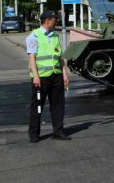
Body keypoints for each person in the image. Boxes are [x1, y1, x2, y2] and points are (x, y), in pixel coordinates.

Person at [25, 10, 70, 143]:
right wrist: (36, 76)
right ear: (47, 20)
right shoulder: (34, 36)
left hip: (56, 76)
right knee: (37, 107)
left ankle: (58, 131)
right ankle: (34, 134)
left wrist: (64, 74)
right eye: (54, 19)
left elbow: (59, 57)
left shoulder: (55, 36)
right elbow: (32, 57)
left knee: (58, 106)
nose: (56, 21)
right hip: (41, 78)